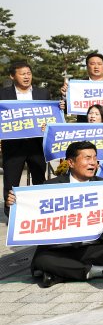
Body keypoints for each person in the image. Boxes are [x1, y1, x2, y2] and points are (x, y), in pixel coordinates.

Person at [6, 141, 103, 287]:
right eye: (87, 158)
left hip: (94, 248)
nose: (93, 163)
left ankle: (58, 274)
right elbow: (29, 212)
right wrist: (14, 203)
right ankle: (97, 271)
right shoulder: (50, 186)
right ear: (71, 162)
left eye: (95, 158)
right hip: (60, 249)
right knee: (42, 260)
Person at [0, 61, 49, 216]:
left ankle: (39, 213)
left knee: (39, 181)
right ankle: (12, 215)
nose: (26, 77)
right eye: (22, 74)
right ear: (12, 76)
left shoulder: (43, 93)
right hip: (13, 147)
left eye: (28, 73)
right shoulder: (3, 94)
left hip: (37, 146)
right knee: (11, 182)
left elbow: (51, 115)